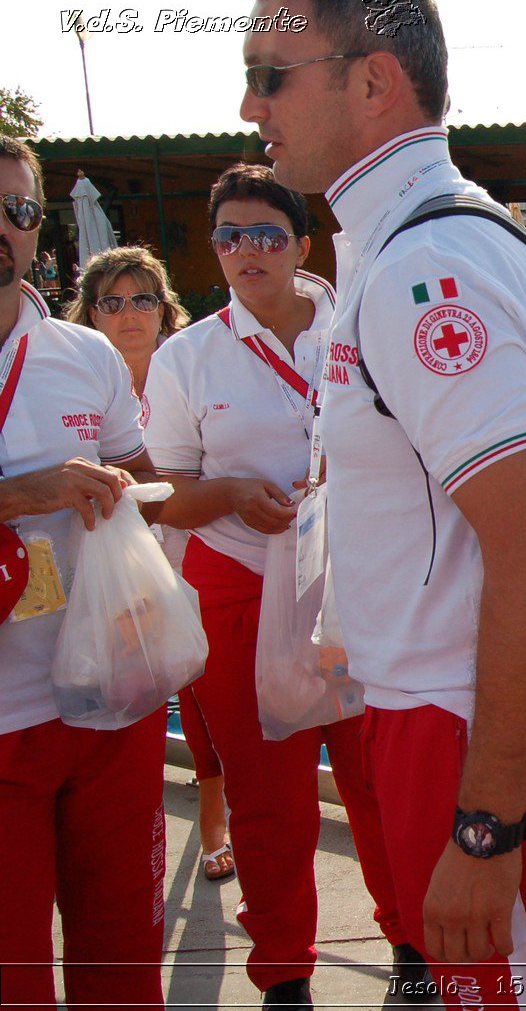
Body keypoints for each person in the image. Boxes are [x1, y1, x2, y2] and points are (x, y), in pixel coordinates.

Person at [241, 0, 526, 1006]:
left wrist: (486, 825)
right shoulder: (415, 240)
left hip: (488, 740)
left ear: (373, 82)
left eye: (272, 74)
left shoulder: (429, 269)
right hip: (470, 717)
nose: (249, 104)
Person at [143, 162, 415, 1005]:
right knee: (267, 796)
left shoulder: (363, 326)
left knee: (378, 779)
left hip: (356, 582)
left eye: (265, 233)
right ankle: (286, 973)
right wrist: (225, 495)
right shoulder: (187, 357)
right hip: (242, 588)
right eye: (229, 236)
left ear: (302, 245)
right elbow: (164, 494)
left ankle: (413, 950)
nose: (245, 251)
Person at [0, 137, 167, 1007]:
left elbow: (140, 477)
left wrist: (137, 490)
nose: (4, 226)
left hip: (103, 695)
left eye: (19, 211)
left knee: (122, 959)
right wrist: (18, 493)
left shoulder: (83, 352)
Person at [61, 246, 237, 882]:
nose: (129, 313)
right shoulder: (72, 379)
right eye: (113, 300)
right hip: (106, 573)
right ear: (91, 312)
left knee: (204, 691)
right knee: (138, 692)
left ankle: (216, 819)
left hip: (191, 552)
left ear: (165, 310)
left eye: (143, 299)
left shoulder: (195, 368)